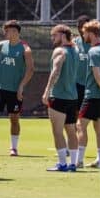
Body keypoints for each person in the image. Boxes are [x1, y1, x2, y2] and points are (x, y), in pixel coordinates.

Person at [76, 20, 100, 168]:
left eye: (85, 33)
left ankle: (78, 160)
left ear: (91, 34)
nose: (83, 35)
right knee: (99, 128)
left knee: (80, 125)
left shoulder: (93, 51)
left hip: (92, 95)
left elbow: (97, 75)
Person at [40, 24, 79, 172]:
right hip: (72, 97)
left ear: (62, 35)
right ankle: (73, 163)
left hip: (58, 96)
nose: (52, 39)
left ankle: (62, 163)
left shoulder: (59, 51)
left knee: (57, 131)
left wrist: (47, 90)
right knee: (71, 130)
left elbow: (55, 71)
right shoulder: (75, 50)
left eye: (54, 35)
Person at [0, 20, 34, 156]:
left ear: (16, 32)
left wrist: (21, 86)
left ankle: (14, 147)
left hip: (15, 91)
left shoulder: (25, 49)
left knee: (14, 118)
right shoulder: (0, 46)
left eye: (9, 30)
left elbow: (30, 70)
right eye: (5, 30)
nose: (6, 33)